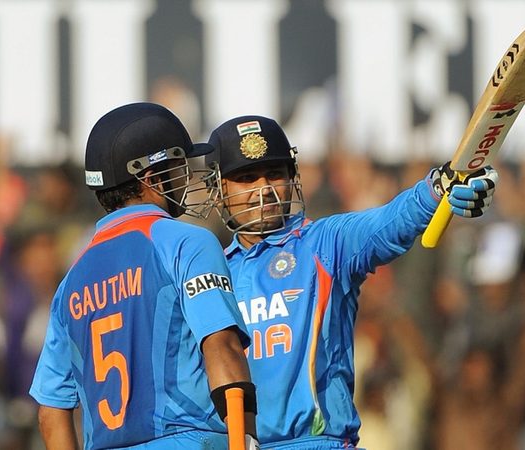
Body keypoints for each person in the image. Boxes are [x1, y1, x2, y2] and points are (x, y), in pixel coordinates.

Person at [202, 115, 498, 449]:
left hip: (320, 443)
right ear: (218, 190)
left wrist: (437, 190)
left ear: (292, 177)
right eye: (246, 178)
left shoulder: (324, 243)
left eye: (274, 174)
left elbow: (388, 222)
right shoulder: (208, 273)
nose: (264, 190)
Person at [29, 102, 258, 450]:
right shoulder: (187, 242)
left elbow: (51, 412)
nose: (187, 178)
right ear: (151, 178)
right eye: (179, 167)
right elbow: (222, 348)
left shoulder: (71, 280)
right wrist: (247, 440)